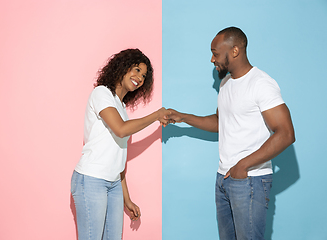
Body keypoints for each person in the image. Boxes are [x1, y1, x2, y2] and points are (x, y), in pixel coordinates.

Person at [166, 27, 295, 240]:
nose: (211, 59)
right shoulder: (226, 83)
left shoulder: (261, 83)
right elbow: (220, 122)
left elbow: (286, 134)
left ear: (235, 50)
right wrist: (183, 117)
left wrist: (243, 165)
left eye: (215, 53)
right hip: (224, 178)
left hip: (250, 180)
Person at [71, 48, 170, 240]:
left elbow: (118, 157)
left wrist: (127, 199)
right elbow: (121, 129)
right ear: (122, 67)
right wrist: (156, 115)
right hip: (91, 179)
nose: (139, 77)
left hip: (114, 184)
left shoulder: (121, 106)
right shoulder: (101, 93)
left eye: (143, 75)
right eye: (136, 69)